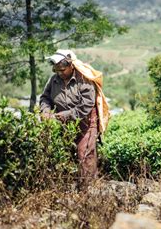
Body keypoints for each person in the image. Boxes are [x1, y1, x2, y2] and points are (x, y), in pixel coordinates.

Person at [40, 49, 110, 187]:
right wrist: (45, 111)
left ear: (71, 65)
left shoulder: (84, 80)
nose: (59, 73)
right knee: (65, 154)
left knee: (84, 155)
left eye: (62, 70)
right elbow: (45, 98)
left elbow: (85, 106)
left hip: (86, 123)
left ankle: (89, 190)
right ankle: (68, 188)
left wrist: (61, 116)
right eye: (56, 70)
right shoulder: (54, 80)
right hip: (64, 124)